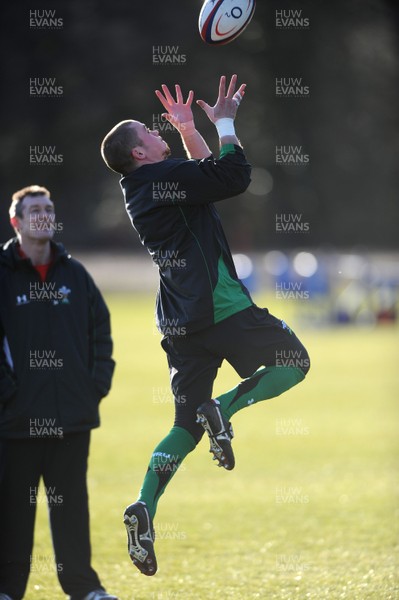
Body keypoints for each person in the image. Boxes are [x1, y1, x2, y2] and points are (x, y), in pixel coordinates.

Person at [100, 74, 310, 576]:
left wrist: (189, 128)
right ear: (140, 154)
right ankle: (225, 407)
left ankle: (144, 507)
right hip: (218, 306)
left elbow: (203, 177)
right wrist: (225, 123)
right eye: (149, 134)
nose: (158, 133)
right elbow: (232, 176)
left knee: (183, 427)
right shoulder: (159, 178)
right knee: (294, 362)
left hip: (178, 319)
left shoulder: (148, 184)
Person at [0, 186, 118, 600]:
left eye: (49, 208)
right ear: (16, 221)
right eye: (33, 209)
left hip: (72, 416)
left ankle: (84, 589)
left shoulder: (75, 275)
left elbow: (100, 334)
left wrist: (94, 386)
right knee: (14, 512)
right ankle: (7, 590)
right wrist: (7, 396)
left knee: (71, 508)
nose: (43, 214)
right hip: (16, 420)